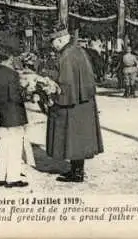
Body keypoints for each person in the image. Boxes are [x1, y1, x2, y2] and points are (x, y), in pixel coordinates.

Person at [46, 27, 104, 183]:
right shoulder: (78, 51)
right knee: (79, 139)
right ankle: (77, 169)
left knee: (72, 137)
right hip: (83, 101)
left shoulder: (66, 56)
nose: (53, 46)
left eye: (53, 43)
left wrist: (51, 94)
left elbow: (65, 83)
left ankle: (77, 173)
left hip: (72, 103)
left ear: (60, 40)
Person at [0, 35, 29, 188]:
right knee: (15, 147)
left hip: (1, 113)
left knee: (3, 145)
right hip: (13, 114)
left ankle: (1, 175)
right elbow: (15, 96)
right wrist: (25, 90)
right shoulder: (12, 74)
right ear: (10, 58)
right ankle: (12, 178)